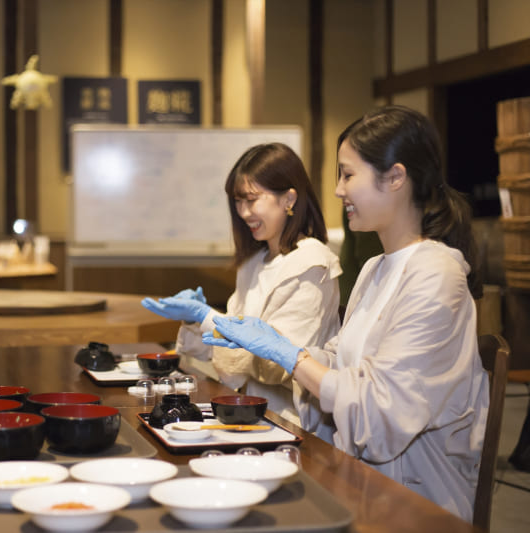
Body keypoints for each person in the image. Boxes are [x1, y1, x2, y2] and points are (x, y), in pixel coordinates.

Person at [204, 105, 489, 521]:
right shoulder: (377, 267)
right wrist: (286, 348)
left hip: (413, 497)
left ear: (395, 177)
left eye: (348, 174)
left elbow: (382, 415)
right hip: (363, 471)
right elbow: (342, 360)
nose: (338, 190)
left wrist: (293, 357)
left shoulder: (436, 274)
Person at [142, 143, 340, 435]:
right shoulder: (255, 261)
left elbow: (280, 365)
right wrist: (195, 320)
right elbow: (221, 352)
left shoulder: (312, 263)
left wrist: (209, 318)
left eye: (252, 199)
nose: (244, 212)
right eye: (238, 201)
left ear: (289, 198)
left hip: (290, 424)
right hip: (245, 412)